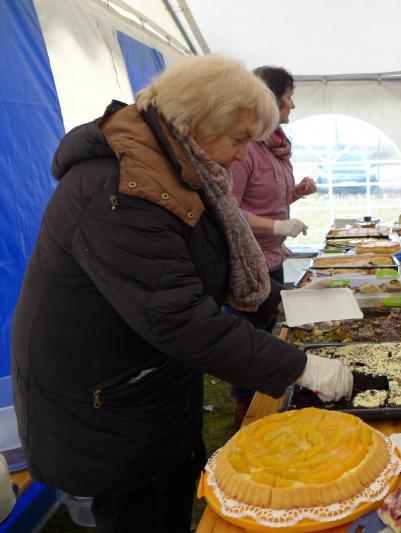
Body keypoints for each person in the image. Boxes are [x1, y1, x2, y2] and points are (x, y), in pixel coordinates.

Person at [11, 55, 352, 533]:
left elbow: (201, 267)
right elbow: (177, 316)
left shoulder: (179, 171)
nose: (242, 156)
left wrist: (281, 299)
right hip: (105, 402)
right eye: (238, 139)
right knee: (140, 515)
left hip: (147, 384)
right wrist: (300, 367)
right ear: (196, 122)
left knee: (169, 497)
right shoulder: (119, 189)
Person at [227, 66, 316, 425]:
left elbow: (268, 202)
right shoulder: (244, 149)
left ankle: (266, 399)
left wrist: (297, 194)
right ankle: (246, 410)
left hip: (273, 259)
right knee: (247, 340)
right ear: (269, 99)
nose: (292, 104)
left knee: (267, 332)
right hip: (247, 264)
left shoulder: (277, 147)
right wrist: (277, 225)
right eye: (288, 97)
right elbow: (227, 211)